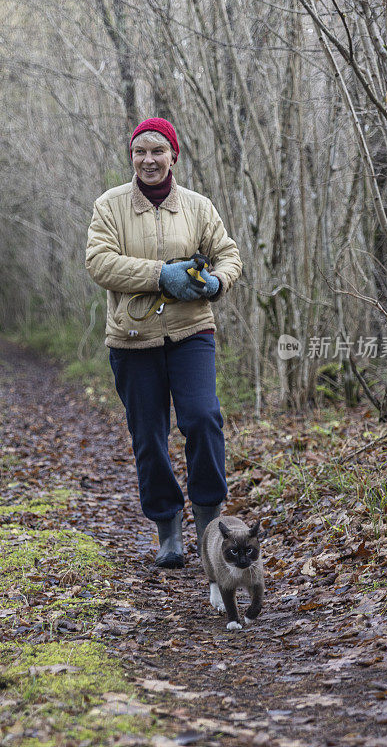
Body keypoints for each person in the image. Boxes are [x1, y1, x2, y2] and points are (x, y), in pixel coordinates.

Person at [85, 117, 243, 568]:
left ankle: (210, 529)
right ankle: (168, 532)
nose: (149, 160)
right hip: (133, 339)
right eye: (140, 152)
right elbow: (99, 263)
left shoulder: (197, 206)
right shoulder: (110, 206)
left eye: (158, 151)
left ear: (174, 155)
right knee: (149, 437)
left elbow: (229, 255)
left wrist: (215, 282)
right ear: (131, 157)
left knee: (203, 418)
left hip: (192, 331)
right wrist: (160, 276)